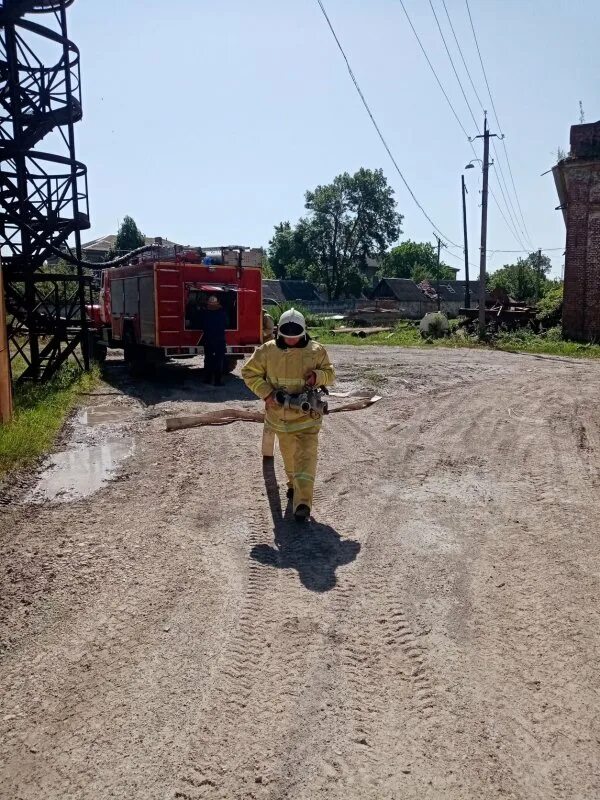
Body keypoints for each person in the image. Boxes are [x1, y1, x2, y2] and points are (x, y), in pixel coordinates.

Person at [242, 308, 335, 522]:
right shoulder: (267, 351)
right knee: (290, 458)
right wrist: (267, 394)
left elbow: (330, 374)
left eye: (296, 337)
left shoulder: (316, 351)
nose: (291, 341)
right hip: (280, 418)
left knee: (306, 457)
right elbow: (249, 373)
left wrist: (317, 377)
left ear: (303, 333)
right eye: (287, 337)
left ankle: (302, 503)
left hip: (307, 419)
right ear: (279, 333)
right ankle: (293, 485)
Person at [201, 295, 228, 386]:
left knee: (208, 359)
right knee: (219, 360)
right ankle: (217, 381)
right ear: (218, 303)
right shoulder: (223, 313)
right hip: (220, 340)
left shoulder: (204, 313)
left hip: (208, 340)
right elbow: (226, 323)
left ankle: (207, 379)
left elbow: (200, 323)